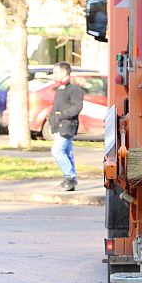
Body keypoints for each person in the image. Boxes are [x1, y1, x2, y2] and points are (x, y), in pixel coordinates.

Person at [49, 62, 84, 191]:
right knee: (68, 153)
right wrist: (52, 120)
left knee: (57, 151)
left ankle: (70, 177)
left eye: (56, 72)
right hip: (60, 126)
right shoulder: (60, 89)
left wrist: (62, 115)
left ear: (64, 73)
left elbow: (77, 107)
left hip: (68, 125)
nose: (54, 75)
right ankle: (70, 180)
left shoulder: (74, 90)